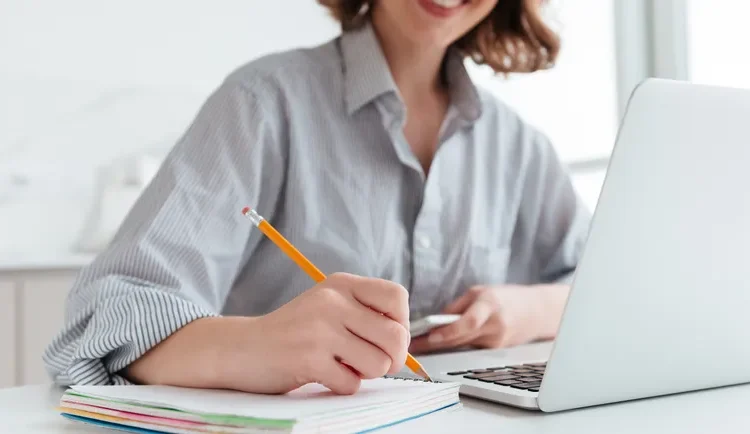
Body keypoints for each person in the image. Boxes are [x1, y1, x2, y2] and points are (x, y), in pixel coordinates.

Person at [44, 0, 590, 396]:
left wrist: (528, 309)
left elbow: (609, 288)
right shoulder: (262, 102)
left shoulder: (519, 145)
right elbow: (107, 314)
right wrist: (255, 345)